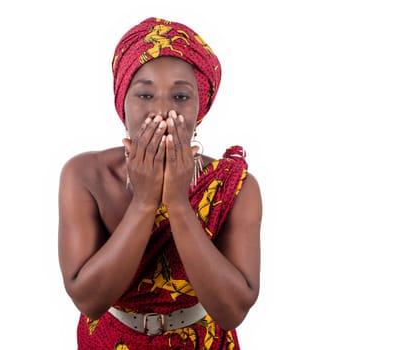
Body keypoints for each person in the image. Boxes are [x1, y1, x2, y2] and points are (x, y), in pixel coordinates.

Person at [58, 17, 262, 349]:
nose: (163, 111)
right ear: (122, 103)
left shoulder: (235, 187)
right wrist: (144, 201)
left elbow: (233, 311)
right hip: (110, 340)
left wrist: (179, 203)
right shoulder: (85, 175)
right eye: (145, 94)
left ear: (201, 108)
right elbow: (89, 301)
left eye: (180, 97)